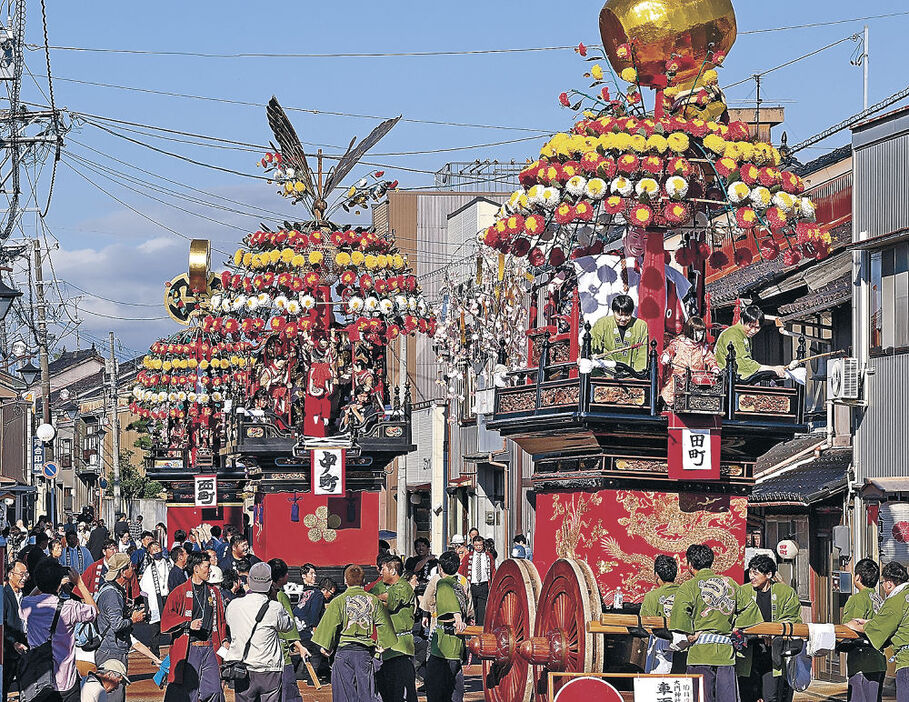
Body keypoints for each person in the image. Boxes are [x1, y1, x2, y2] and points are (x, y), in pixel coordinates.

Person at [669, 544, 762, 702]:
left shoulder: (688, 587)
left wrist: (689, 634)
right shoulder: (730, 583)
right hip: (725, 654)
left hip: (700, 653)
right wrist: (735, 626)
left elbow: (679, 617)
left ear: (690, 565)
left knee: (701, 698)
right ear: (710, 562)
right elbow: (751, 609)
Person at [311, 564, 396, 702]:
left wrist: (326, 648)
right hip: (364, 654)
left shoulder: (338, 601)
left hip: (343, 654)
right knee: (367, 695)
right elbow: (386, 631)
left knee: (343, 697)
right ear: (363, 581)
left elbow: (328, 631)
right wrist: (380, 649)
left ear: (345, 580)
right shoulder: (373, 601)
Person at [22, 558, 98, 702]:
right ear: (58, 582)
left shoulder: (28, 604)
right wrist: (79, 583)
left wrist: (41, 585)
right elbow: (94, 611)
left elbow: (29, 598)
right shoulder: (70, 607)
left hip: (38, 681)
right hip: (66, 680)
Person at [223, 562, 296, 702]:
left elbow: (230, 624)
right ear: (270, 583)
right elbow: (288, 626)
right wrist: (274, 598)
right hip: (269, 668)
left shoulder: (233, 605)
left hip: (242, 668)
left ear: (249, 581)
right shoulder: (274, 607)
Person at [161, 551, 227, 702]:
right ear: (196, 568)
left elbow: (221, 621)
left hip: (210, 646)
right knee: (189, 692)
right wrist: (187, 623)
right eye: (207, 566)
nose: (209, 569)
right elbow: (167, 619)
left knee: (214, 690)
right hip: (190, 648)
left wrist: (224, 640)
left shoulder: (214, 591)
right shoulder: (179, 591)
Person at [737, 554, 801, 702]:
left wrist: (773, 631)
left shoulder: (785, 592)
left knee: (771, 696)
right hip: (749, 652)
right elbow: (737, 619)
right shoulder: (743, 591)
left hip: (773, 653)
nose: (751, 576)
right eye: (750, 572)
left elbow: (793, 618)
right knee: (747, 695)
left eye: (756, 573)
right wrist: (760, 633)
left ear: (769, 574)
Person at [847, 561, 909, 701]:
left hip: (865, 663)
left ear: (889, 583)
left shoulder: (894, 600)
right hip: (879, 663)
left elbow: (878, 627)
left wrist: (851, 625)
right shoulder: (879, 599)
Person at [95, 553, 146, 702]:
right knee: (114, 695)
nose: (133, 568)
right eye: (130, 566)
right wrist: (133, 619)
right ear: (122, 572)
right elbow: (117, 624)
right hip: (112, 651)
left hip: (110, 648)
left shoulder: (110, 589)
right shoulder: (112, 594)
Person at [841, 559, 886, 702]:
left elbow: (848, 627)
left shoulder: (857, 599)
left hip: (862, 661)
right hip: (878, 660)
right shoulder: (879, 599)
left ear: (858, 577)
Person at [426, 551, 468, 702]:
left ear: (440, 567)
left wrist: (457, 617)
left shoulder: (443, 583)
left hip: (443, 646)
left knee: (436, 689)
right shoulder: (459, 583)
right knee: (455, 685)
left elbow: (451, 605)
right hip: (457, 643)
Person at [376, 554, 418, 702]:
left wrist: (377, 600)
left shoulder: (404, 587)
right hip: (384, 647)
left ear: (393, 571)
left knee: (402, 692)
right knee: (386, 690)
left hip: (401, 647)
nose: (381, 572)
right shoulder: (379, 585)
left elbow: (390, 600)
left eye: (383, 569)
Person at [267, 558, 307, 702]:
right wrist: (299, 645)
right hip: (281, 652)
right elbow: (289, 624)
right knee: (289, 692)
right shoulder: (280, 596)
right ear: (282, 577)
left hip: (264, 653)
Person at [660, 316, 721, 406]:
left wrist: (714, 367)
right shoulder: (678, 343)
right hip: (678, 379)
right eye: (697, 332)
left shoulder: (703, 347)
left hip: (697, 379)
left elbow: (710, 358)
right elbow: (670, 350)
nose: (700, 335)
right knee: (672, 391)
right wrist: (666, 356)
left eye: (701, 332)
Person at [640, 554, 686, 674]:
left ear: (657, 575)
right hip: (686, 646)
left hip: (660, 647)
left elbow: (645, 626)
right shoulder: (686, 593)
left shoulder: (652, 596)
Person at [715, 305, 786, 380]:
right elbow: (742, 362)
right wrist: (772, 368)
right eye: (750, 326)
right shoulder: (732, 334)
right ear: (742, 320)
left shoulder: (743, 334)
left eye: (757, 328)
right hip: (727, 379)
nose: (753, 331)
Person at [294, 572, 335, 685]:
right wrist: (318, 639)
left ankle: (305, 674)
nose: (330, 596)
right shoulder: (319, 596)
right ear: (327, 589)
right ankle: (312, 679)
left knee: (308, 651)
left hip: (297, 625)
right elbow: (314, 616)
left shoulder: (309, 591)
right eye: (331, 593)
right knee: (315, 652)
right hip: (306, 627)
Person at [589, 294, 649, 371]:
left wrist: (637, 375)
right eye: (619, 315)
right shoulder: (602, 323)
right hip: (606, 371)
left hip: (631, 373)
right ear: (613, 311)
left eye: (627, 315)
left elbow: (642, 354)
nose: (623, 319)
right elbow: (593, 343)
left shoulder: (641, 326)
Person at [137, 539, 169, 657]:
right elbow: (144, 588)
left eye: (158, 548)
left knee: (172, 625)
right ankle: (155, 653)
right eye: (153, 550)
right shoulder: (149, 569)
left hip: (168, 596)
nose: (157, 551)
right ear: (150, 554)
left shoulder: (169, 563)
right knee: (155, 629)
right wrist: (147, 606)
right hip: (156, 600)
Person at [3, 558, 29, 700]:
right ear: (11, 574)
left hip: (24, 647)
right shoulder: (4, 595)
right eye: (21, 574)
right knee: (5, 685)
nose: (24, 578)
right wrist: (13, 642)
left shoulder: (23, 596)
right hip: (9, 651)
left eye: (26, 574)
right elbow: (3, 625)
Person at [459, 534, 495, 626]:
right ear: (473, 545)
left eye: (480, 545)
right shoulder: (468, 557)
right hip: (472, 585)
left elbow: (492, 570)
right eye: (476, 545)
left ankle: (480, 628)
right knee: (472, 608)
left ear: (483, 545)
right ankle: (472, 627)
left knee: (482, 609)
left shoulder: (488, 556)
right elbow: (462, 570)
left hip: (483, 585)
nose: (478, 547)